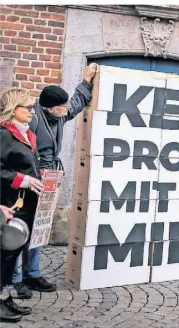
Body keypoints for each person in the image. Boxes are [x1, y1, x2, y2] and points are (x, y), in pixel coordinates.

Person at [11, 63, 98, 299]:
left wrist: (86, 81)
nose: (65, 110)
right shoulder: (32, 119)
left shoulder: (58, 114)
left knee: (39, 228)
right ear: (48, 108)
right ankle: (14, 278)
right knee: (21, 227)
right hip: (31, 179)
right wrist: (28, 177)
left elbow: (76, 105)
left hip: (49, 179)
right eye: (60, 107)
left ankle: (32, 273)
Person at [0, 88, 43, 322]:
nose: (31, 111)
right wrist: (24, 180)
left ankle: (5, 297)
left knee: (13, 252)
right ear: (13, 108)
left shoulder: (26, 134)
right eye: (26, 107)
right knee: (4, 253)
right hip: (8, 204)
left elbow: (24, 164)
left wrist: (40, 174)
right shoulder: (4, 134)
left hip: (25, 204)